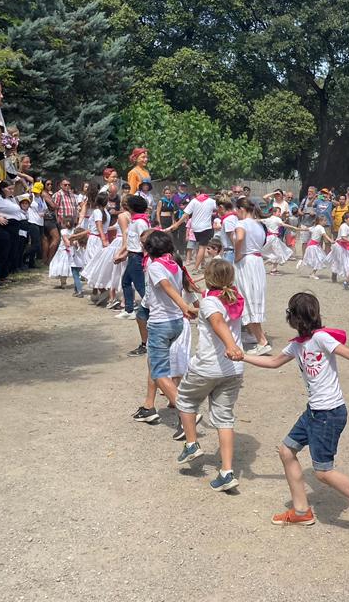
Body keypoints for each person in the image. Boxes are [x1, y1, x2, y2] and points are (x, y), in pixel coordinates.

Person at [239, 292, 349, 545]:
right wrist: (242, 356)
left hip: (329, 413)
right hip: (313, 411)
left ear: (293, 317)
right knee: (286, 451)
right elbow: (273, 363)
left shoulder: (321, 338)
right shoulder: (297, 344)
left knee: (323, 472)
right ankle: (301, 511)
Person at [175, 259, 246, 491]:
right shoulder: (234, 297)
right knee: (224, 417)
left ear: (208, 278)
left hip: (208, 367)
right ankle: (227, 472)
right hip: (233, 370)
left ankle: (192, 444)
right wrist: (193, 309)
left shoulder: (210, 302)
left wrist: (230, 345)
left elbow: (217, 321)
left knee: (185, 400)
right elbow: (215, 315)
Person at [131, 231, 198, 424]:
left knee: (159, 372)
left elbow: (167, 287)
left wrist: (185, 306)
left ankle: (186, 412)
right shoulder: (174, 263)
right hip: (175, 321)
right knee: (155, 364)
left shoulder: (156, 266)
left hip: (162, 323)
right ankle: (149, 407)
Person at [233, 197, 270, 354]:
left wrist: (237, 254)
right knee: (254, 298)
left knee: (246, 298)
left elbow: (240, 238)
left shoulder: (242, 224)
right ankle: (253, 334)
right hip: (257, 262)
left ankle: (262, 341)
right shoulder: (259, 225)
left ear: (242, 209)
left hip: (246, 262)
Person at [115, 195, 152, 320]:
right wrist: (124, 255)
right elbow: (132, 242)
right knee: (126, 281)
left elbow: (144, 242)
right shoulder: (134, 221)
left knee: (140, 285)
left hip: (137, 257)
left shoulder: (140, 222)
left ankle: (153, 309)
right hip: (132, 256)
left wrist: (146, 260)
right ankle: (129, 309)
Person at [168, 187, 217, 273]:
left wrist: (177, 224)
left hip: (195, 228)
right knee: (202, 248)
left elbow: (185, 214)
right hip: (206, 227)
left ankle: (202, 264)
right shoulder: (211, 201)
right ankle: (196, 268)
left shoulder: (194, 201)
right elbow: (218, 209)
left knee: (200, 247)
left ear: (198, 192)